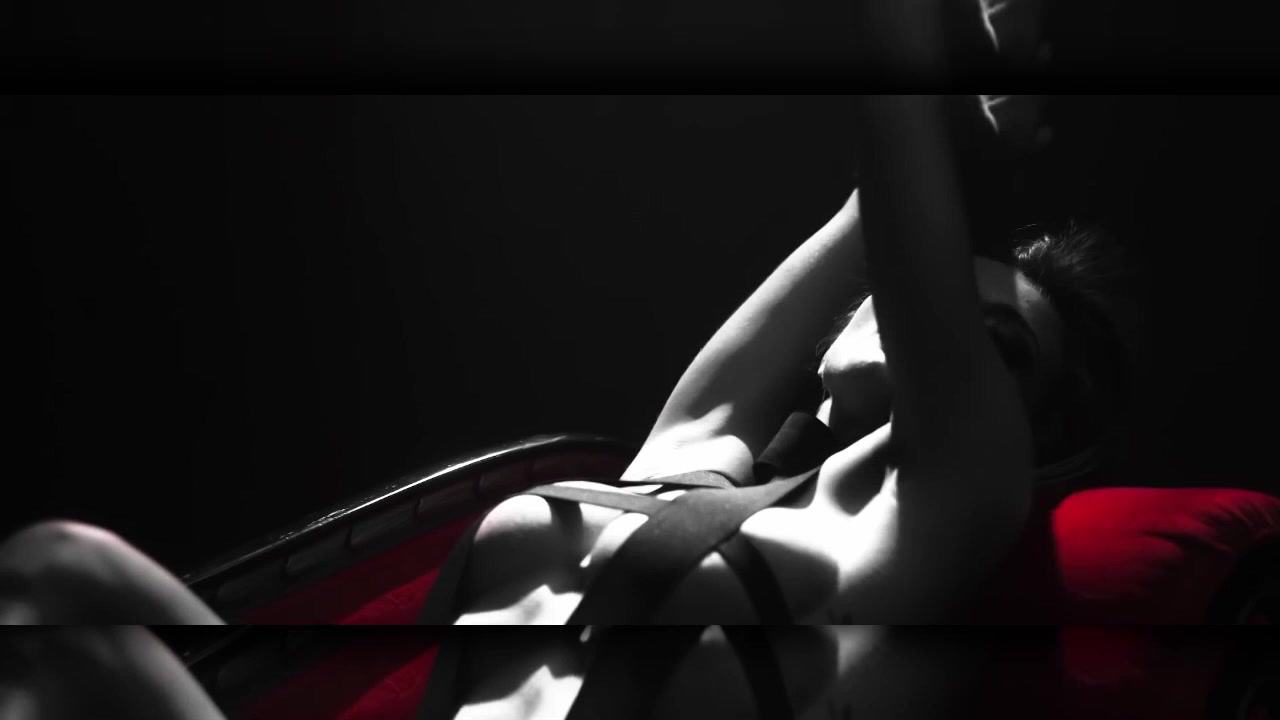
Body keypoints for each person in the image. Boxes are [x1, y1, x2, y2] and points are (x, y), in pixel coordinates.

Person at [0, 7, 1142, 720]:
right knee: (61, 574)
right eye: (930, 296)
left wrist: (925, 67)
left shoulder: (920, 530)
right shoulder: (691, 463)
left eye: (993, 344)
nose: (924, 324)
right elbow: (877, 205)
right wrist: (959, 131)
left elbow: (892, 143)